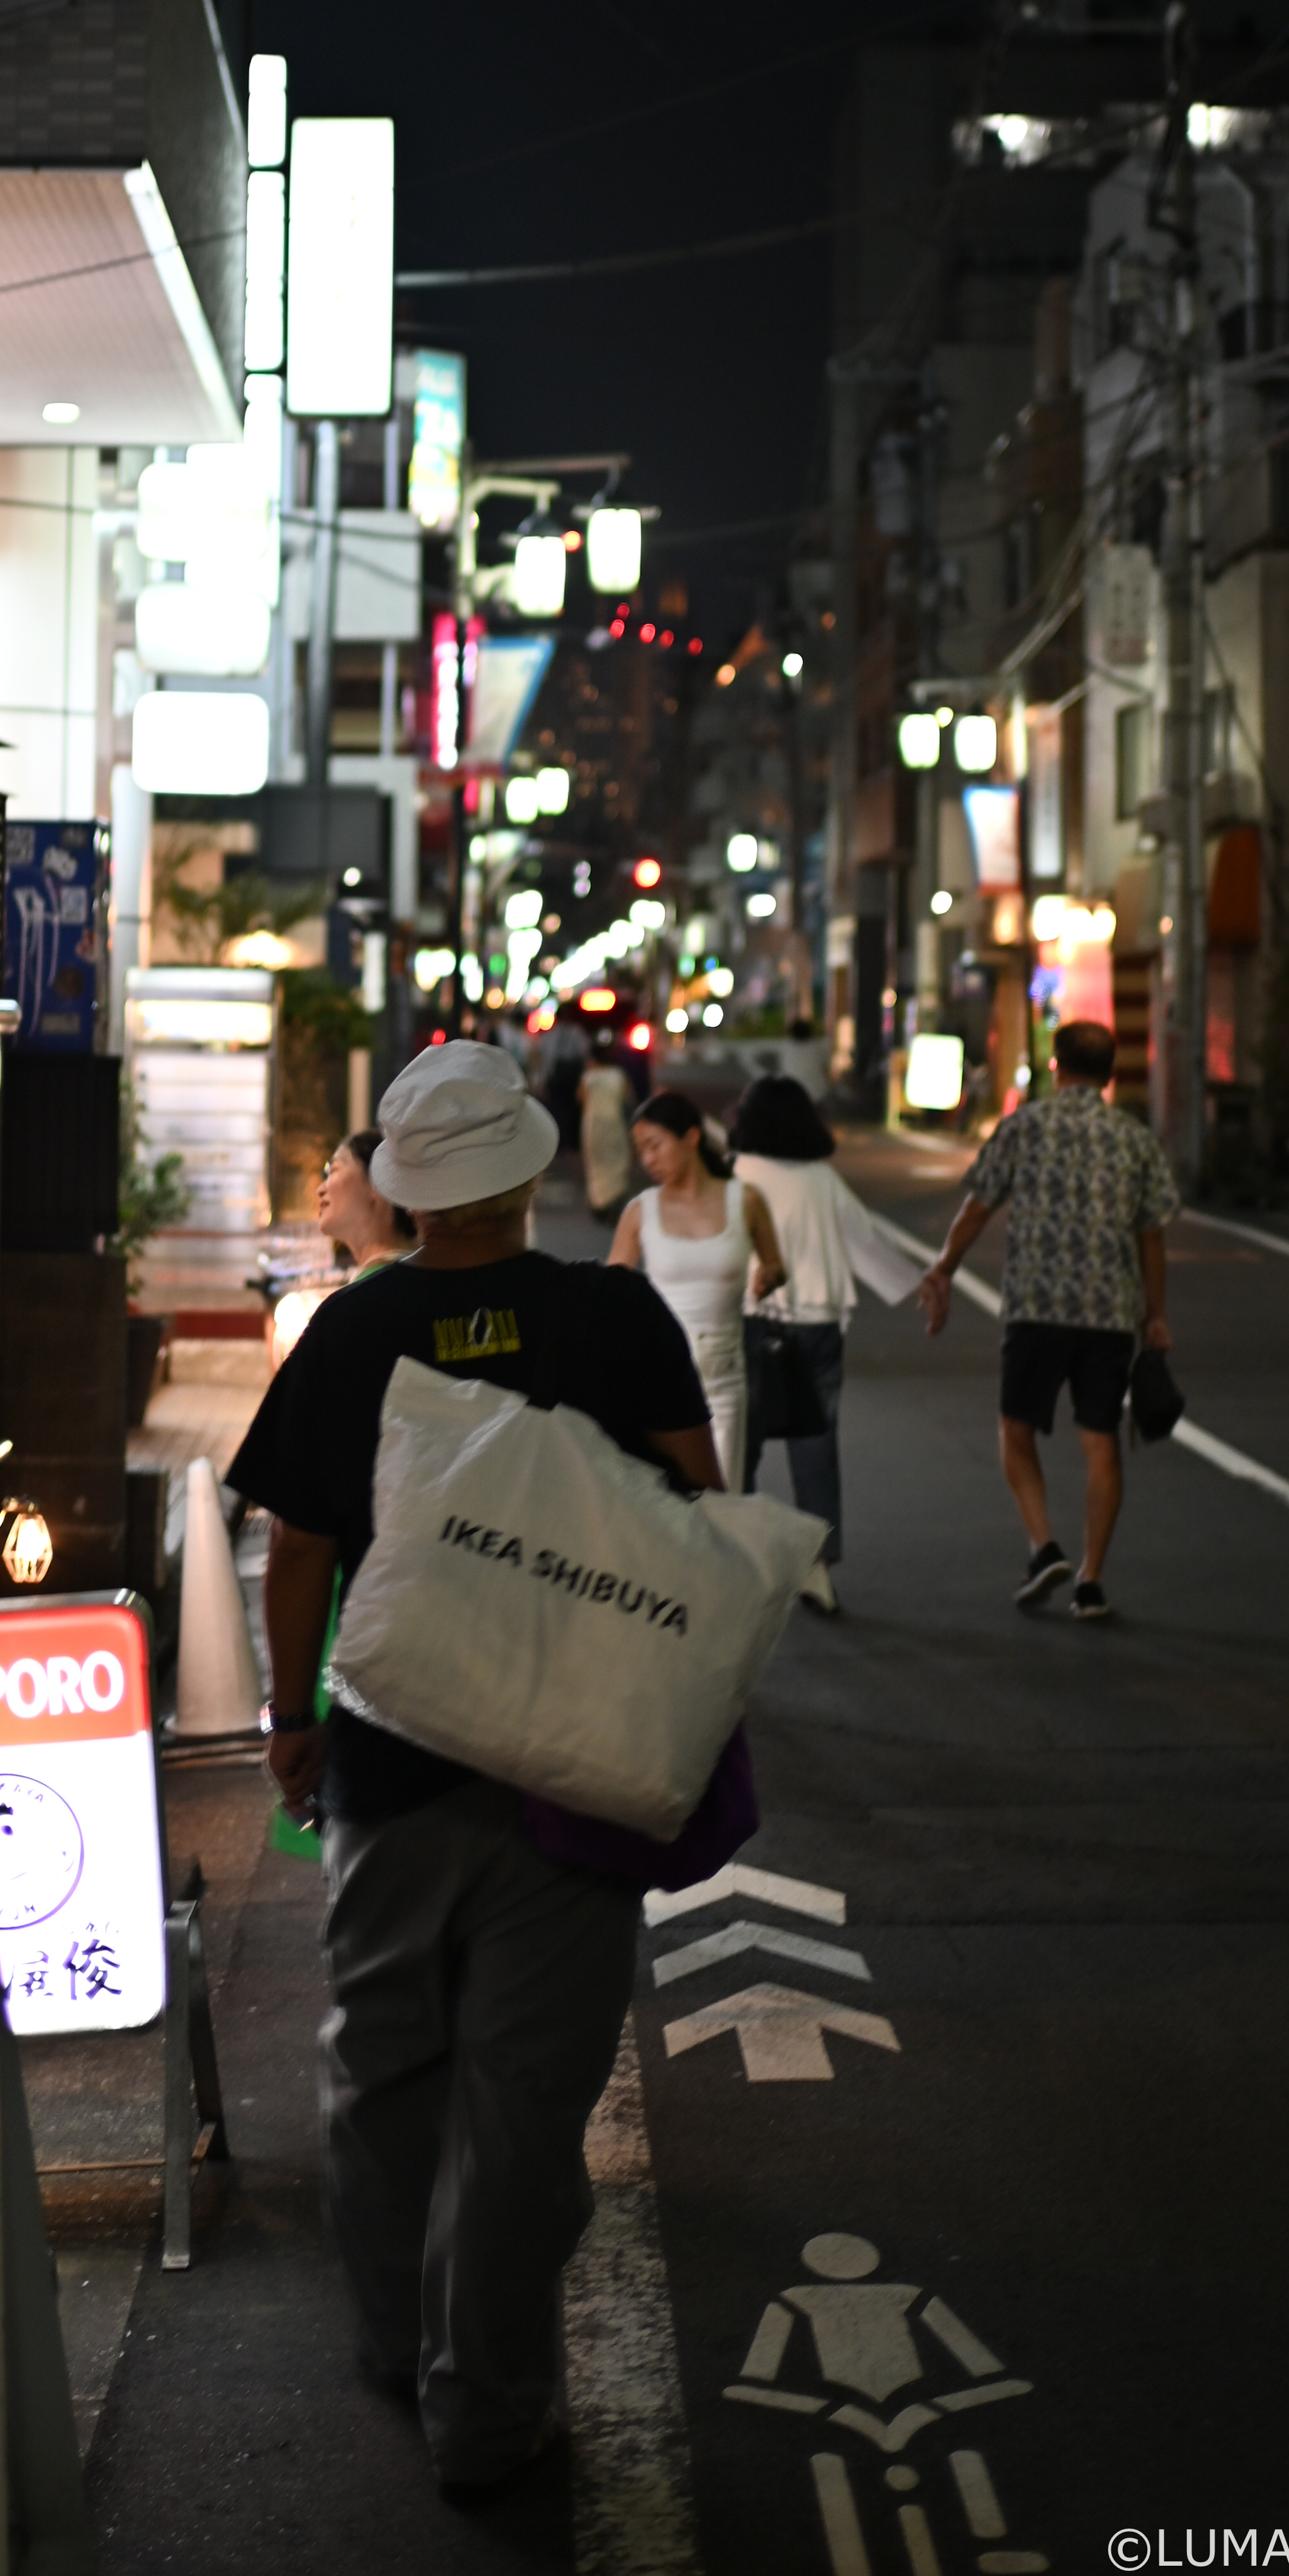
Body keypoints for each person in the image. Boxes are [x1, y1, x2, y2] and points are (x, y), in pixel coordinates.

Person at [230, 1038, 719, 2494]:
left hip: (394, 1748)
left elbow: (299, 1547)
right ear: (527, 1170)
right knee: (522, 2099)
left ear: (409, 1192)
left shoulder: (354, 1332)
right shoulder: (614, 1316)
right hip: (574, 1763)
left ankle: (392, 2336)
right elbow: (698, 1504)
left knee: (382, 2059)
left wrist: (289, 1719)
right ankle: (488, 2410)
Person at [912, 1019, 1175, 1622]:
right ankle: (1091, 1581)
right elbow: (1152, 1236)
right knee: (1101, 1442)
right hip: (1109, 1314)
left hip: (1037, 1307)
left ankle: (1043, 1545)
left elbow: (977, 1207)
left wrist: (944, 1269)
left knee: (1016, 1427)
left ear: (1056, 1067)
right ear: (1110, 1075)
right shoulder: (1135, 1140)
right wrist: (1155, 1314)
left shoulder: (1023, 1128)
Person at [611, 1085, 786, 1491]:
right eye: (641, 1150)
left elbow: (776, 1264)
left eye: (655, 1145)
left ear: (691, 1137)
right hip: (660, 1381)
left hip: (725, 1378)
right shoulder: (641, 1212)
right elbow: (613, 1292)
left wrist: (769, 1276)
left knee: (723, 1506)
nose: (648, 1160)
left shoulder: (745, 1200)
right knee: (667, 1508)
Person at [731, 1072, 858, 1613]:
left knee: (742, 1445)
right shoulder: (824, 1178)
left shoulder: (738, 1175)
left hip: (756, 1321)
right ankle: (818, 1570)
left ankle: (740, 1561)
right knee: (816, 1446)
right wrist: (927, 1281)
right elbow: (865, 1239)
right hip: (821, 1322)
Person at [318, 1125, 416, 1280]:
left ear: (379, 1182)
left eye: (334, 1170)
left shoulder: (375, 1289)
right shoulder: (419, 1275)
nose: (320, 1190)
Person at [577, 1038, 635, 1217]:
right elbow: (629, 1099)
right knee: (617, 1161)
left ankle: (599, 1202)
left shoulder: (588, 1078)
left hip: (594, 1125)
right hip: (615, 1124)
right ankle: (616, 1200)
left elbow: (581, 1098)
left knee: (596, 1164)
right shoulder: (619, 1075)